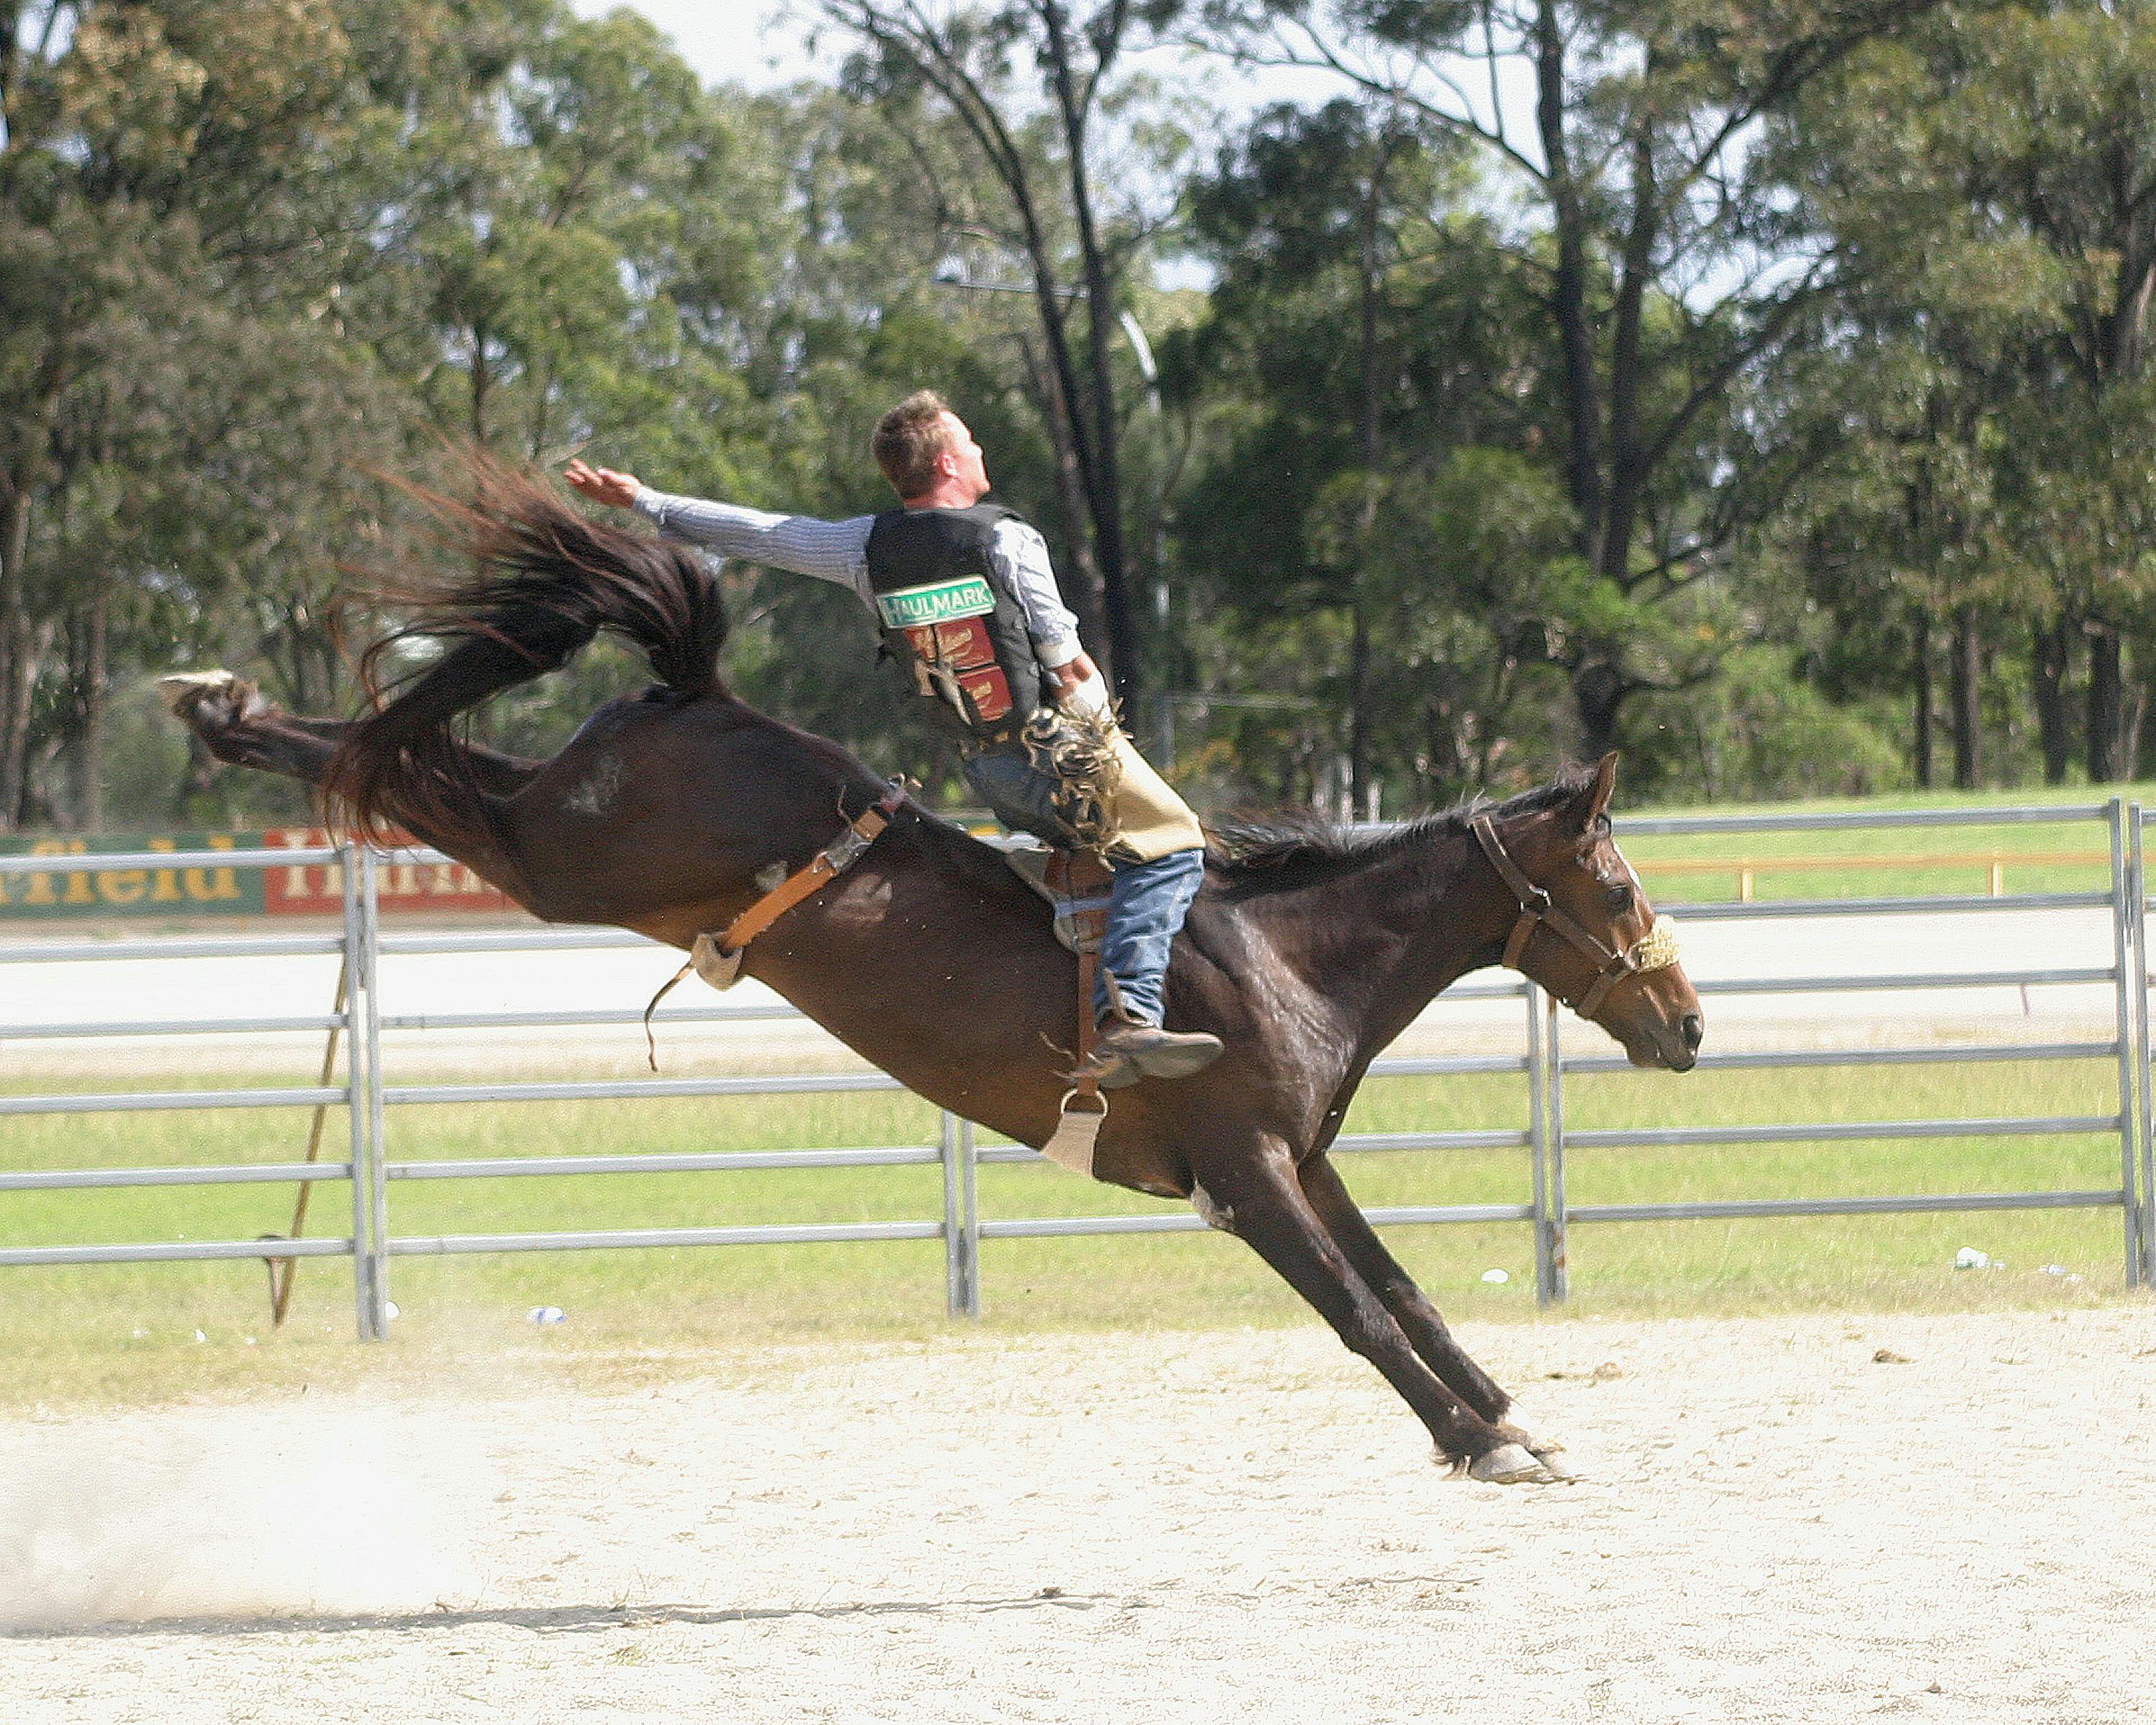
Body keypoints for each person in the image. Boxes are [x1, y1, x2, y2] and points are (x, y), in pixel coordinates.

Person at [563, 390, 1222, 1087]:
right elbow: (1070, 666)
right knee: (1174, 842)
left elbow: (759, 532)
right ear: (946, 462)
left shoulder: (862, 548)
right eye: (969, 441)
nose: (979, 450)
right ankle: (1129, 1014)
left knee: (1104, 852)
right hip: (1056, 753)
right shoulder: (1006, 540)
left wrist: (645, 500)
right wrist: (1118, 748)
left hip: (988, 774)